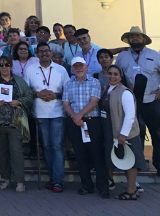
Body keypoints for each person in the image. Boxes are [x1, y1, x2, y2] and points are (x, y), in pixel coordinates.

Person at [24, 42, 69, 193]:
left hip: (57, 113)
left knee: (56, 146)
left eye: (46, 51)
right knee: (47, 147)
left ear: (51, 53)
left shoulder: (61, 70)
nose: (44, 54)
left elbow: (68, 90)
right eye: (40, 52)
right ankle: (52, 178)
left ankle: (58, 181)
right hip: (40, 113)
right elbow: (26, 90)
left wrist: (55, 94)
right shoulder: (30, 70)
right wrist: (37, 94)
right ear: (37, 54)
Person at [62, 57, 110, 198]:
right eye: (75, 66)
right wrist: (75, 117)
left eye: (81, 65)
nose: (78, 68)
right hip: (75, 123)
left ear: (86, 66)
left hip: (92, 122)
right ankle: (86, 186)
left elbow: (94, 102)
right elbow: (65, 104)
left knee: (97, 154)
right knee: (80, 154)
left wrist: (79, 115)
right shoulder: (68, 84)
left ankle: (103, 187)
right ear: (72, 68)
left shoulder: (95, 82)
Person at [0, 55, 33, 193]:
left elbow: (29, 96)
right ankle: (5, 178)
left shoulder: (20, 82)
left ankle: (19, 181)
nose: (4, 67)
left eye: (7, 65)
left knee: (16, 152)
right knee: (2, 153)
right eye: (1, 65)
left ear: (11, 66)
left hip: (15, 123)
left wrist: (19, 102)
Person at [116, 26, 160, 175]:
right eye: (132, 37)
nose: (135, 39)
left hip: (151, 100)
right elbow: (118, 75)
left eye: (138, 37)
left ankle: (159, 164)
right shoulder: (122, 56)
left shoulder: (155, 55)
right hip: (131, 101)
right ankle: (139, 163)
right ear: (128, 40)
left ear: (144, 39)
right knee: (136, 132)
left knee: (157, 133)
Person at [101, 64, 146, 200]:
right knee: (123, 161)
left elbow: (130, 115)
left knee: (130, 162)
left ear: (121, 77)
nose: (112, 76)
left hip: (125, 133)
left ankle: (131, 191)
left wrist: (123, 134)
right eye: (110, 73)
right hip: (111, 131)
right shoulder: (106, 89)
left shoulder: (125, 92)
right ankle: (131, 189)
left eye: (116, 74)